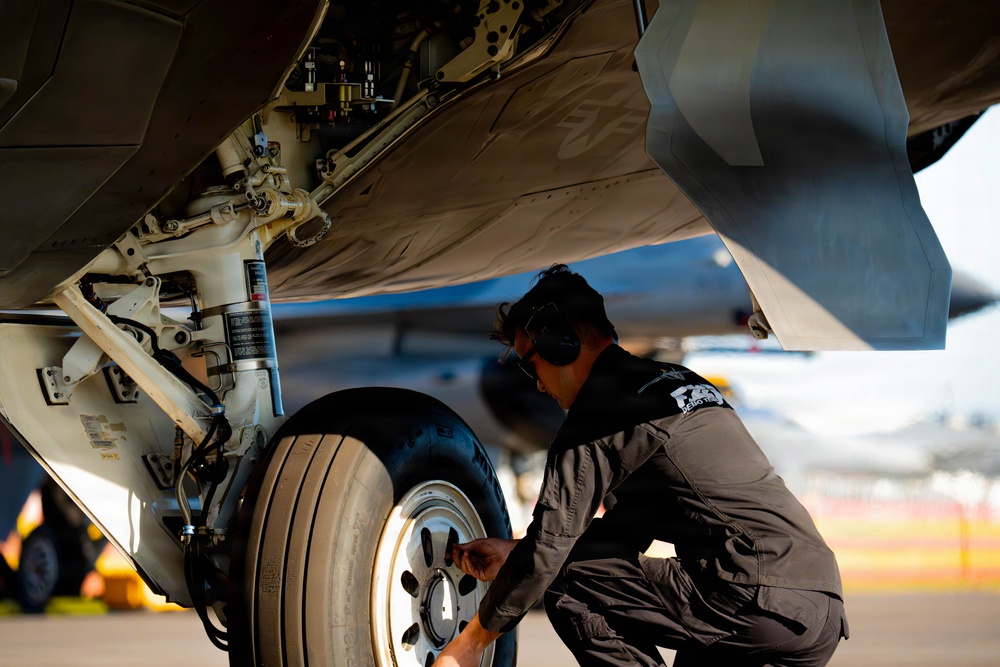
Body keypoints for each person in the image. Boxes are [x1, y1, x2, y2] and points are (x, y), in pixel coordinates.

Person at [433, 264, 848, 667]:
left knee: (569, 587)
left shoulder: (598, 414)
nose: (538, 383)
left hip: (750, 597)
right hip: (816, 608)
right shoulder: (676, 381)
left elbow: (553, 555)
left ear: (562, 342)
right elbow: (622, 533)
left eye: (530, 363)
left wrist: (469, 645)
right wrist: (519, 552)